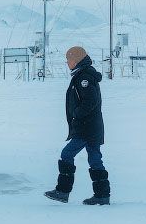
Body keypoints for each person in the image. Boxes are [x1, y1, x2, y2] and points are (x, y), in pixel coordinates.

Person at [44, 45, 111, 205]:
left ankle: (62, 191)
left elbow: (91, 100)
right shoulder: (83, 74)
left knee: (67, 154)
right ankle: (102, 195)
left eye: (69, 60)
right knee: (95, 159)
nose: (67, 63)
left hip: (86, 128)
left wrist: (77, 113)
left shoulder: (83, 78)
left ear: (77, 60)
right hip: (92, 127)